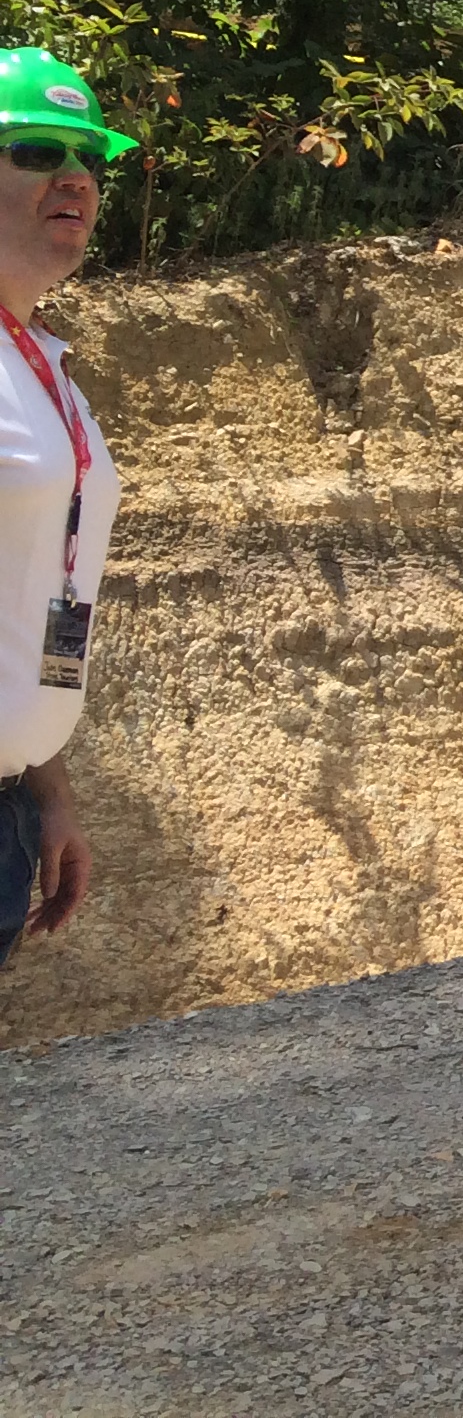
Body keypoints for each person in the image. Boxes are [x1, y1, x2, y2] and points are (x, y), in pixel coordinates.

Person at [0, 49, 129, 977]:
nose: (76, 175)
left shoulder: (45, 366)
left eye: (88, 156)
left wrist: (47, 784)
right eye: (38, 150)